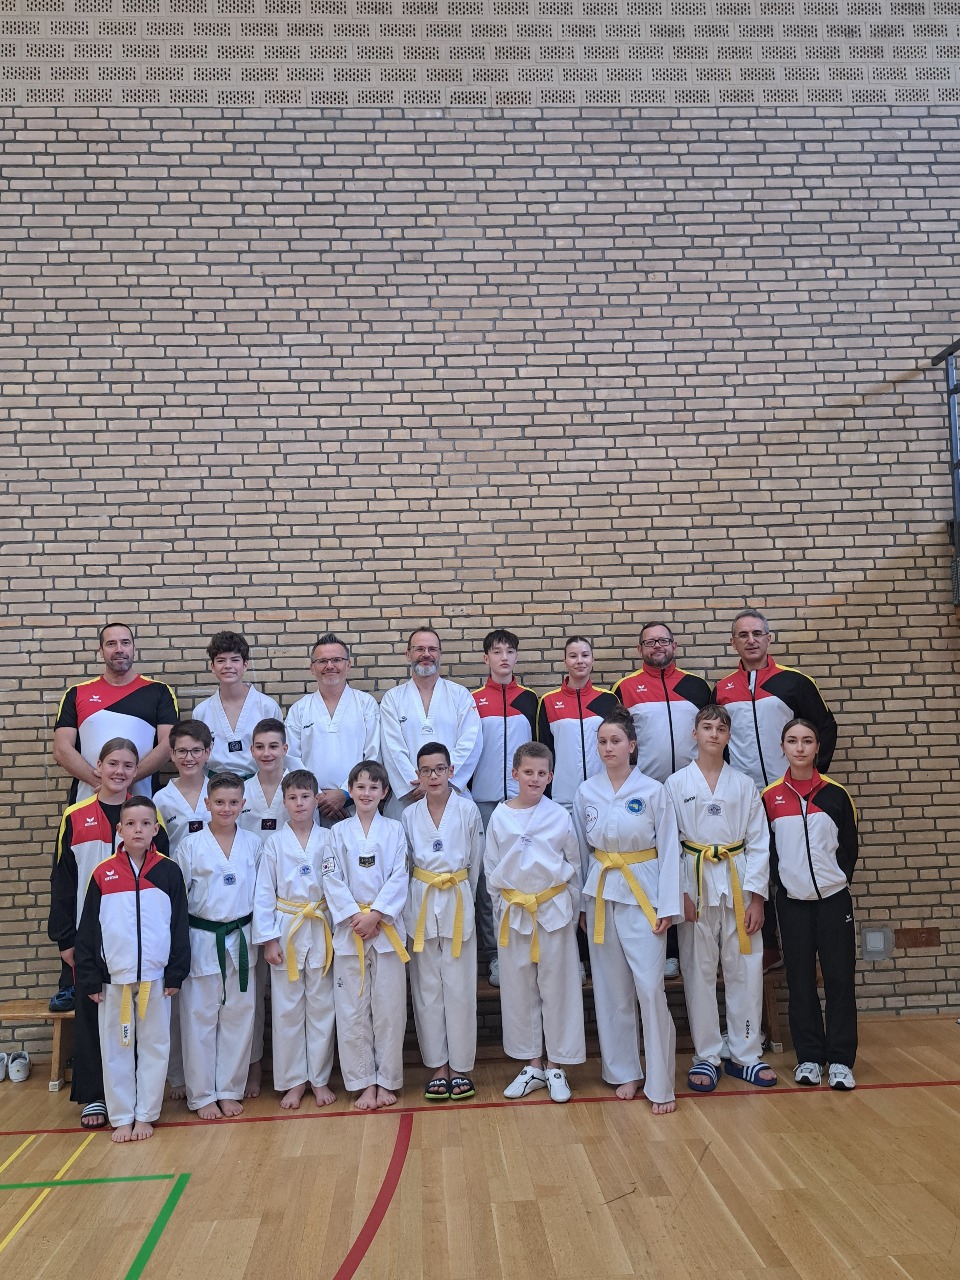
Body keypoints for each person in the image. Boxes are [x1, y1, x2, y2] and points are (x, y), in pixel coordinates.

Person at [48, 738, 169, 1130]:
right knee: (92, 1011)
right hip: (89, 936)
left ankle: (141, 1098)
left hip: (140, 937)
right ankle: (95, 1095)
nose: (119, 771)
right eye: (112, 763)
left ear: (137, 770)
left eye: (128, 765)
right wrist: (65, 938)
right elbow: (62, 879)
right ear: (97, 766)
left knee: (141, 1022)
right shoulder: (75, 815)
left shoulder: (149, 815)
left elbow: (162, 876)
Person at [714, 608, 838, 972]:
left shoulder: (794, 682)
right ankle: (767, 945)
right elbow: (716, 739)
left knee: (793, 862)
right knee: (754, 865)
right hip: (746, 794)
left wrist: (810, 776)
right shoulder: (721, 689)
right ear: (733, 642)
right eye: (743, 635)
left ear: (769, 638)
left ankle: (801, 943)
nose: (751, 640)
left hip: (791, 793)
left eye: (757, 633)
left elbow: (825, 727)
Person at [572, 709, 682, 1114]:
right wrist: (582, 905)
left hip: (644, 895)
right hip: (601, 894)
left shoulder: (653, 790)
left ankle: (660, 1082)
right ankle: (625, 1072)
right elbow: (580, 852)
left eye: (615, 741)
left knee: (650, 989)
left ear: (631, 746)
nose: (608, 748)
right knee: (611, 989)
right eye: (602, 742)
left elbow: (670, 849)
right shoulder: (587, 791)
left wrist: (668, 904)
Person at [664, 705, 775, 1093]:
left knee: (745, 967)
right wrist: (680, 893)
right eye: (707, 727)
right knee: (698, 971)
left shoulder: (744, 785)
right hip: (694, 882)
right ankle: (707, 1055)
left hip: (738, 882)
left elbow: (759, 843)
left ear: (729, 736)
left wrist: (757, 898)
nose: (714, 734)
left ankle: (746, 1054)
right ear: (694, 733)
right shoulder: (675, 784)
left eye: (721, 728)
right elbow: (669, 845)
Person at [74, 797, 190, 1142]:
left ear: (155, 829)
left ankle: (146, 1115)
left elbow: (178, 926)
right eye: (131, 824)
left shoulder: (168, 871)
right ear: (119, 829)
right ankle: (122, 1115)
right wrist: (90, 977)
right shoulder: (103, 873)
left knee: (155, 1047)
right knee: (116, 1050)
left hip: (156, 978)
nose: (138, 829)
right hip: (115, 980)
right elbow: (89, 930)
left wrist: (176, 972)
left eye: (145, 823)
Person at [484, 742, 585, 1104]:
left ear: (551, 776)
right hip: (515, 912)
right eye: (528, 772)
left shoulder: (558, 815)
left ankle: (556, 1065)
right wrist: (502, 909)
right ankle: (532, 1064)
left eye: (542, 773)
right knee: (519, 990)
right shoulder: (500, 816)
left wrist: (571, 909)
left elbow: (573, 865)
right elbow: (490, 868)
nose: (535, 779)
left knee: (558, 989)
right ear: (515, 774)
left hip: (553, 910)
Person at [762, 719, 859, 1091]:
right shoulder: (769, 797)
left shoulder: (836, 794)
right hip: (792, 904)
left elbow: (849, 847)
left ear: (817, 747)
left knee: (839, 980)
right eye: (792, 741)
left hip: (834, 902)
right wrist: (786, 882)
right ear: (783, 747)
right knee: (800, 981)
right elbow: (768, 851)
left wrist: (837, 879)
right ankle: (809, 1058)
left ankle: (840, 1060)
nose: (800, 748)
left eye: (807, 741)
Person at [613, 622, 712, 980]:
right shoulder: (625, 688)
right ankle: (665, 947)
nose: (657, 646)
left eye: (663, 640)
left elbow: (714, 734)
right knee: (657, 867)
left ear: (675, 644)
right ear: (640, 649)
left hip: (691, 789)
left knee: (691, 861)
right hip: (647, 792)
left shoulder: (696, 686)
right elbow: (618, 739)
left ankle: (700, 941)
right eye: (650, 642)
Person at [323, 760, 410, 1111]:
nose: (366, 793)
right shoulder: (337, 833)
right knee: (352, 1009)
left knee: (389, 1008)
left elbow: (401, 875)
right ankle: (363, 1082)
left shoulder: (395, 830)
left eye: (374, 787)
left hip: (385, 928)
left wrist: (376, 914)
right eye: (360, 787)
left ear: (385, 793)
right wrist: (354, 916)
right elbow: (330, 878)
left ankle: (386, 1080)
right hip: (351, 930)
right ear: (350, 790)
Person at [175, 772, 262, 1120]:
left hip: (241, 938)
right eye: (220, 802)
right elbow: (178, 901)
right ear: (207, 803)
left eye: (233, 802)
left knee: (239, 1017)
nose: (226, 808)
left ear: (243, 804)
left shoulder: (253, 844)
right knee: (199, 1019)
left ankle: (229, 1089)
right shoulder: (189, 846)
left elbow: (262, 896)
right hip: (202, 939)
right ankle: (202, 1095)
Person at [402, 742, 485, 1102]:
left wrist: (464, 892)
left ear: (451, 771)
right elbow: (405, 864)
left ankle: (461, 1065)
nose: (433, 776)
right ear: (418, 776)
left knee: (460, 987)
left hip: (457, 897)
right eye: (426, 770)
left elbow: (477, 863)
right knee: (427, 989)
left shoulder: (467, 810)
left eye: (439, 769)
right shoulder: (409, 815)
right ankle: (437, 1065)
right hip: (421, 900)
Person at [253, 770, 337, 1110]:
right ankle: (293, 1081)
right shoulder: (274, 843)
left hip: (320, 923)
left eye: (305, 797)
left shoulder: (329, 838)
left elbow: (339, 885)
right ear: (284, 802)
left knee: (322, 1006)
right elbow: (263, 893)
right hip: (286, 925)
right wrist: (268, 940)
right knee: (287, 1009)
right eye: (292, 798)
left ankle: (319, 1078)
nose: (299, 803)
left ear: (316, 799)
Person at [469, 628, 539, 988]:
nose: (504, 658)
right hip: (483, 802)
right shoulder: (472, 700)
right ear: (486, 658)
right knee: (488, 881)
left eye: (510, 651)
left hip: (524, 803)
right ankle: (496, 954)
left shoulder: (530, 700)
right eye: (497, 652)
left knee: (526, 873)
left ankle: (530, 950)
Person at [53, 622, 177, 806]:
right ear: (101, 651)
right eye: (111, 644)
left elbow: (168, 745)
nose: (119, 649)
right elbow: (61, 750)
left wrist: (125, 780)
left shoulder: (160, 691)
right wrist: (103, 784)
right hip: (87, 803)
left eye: (125, 642)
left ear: (134, 648)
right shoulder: (76, 693)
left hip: (142, 805)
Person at [153, 718, 212, 1101]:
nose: (189, 758)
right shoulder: (161, 800)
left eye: (196, 751)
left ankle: (218, 1071)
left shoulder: (219, 791)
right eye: (181, 751)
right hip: (174, 901)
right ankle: (177, 1074)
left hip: (216, 901)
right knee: (176, 987)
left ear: (208, 753)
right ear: (171, 755)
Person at [379, 627, 482, 820]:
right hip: (409, 798)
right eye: (419, 649)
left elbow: (471, 742)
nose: (426, 654)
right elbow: (392, 748)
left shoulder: (460, 695)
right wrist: (416, 784)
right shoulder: (392, 698)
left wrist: (441, 781)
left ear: (440, 654)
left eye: (432, 649)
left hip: (452, 795)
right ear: (408, 654)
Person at [283, 633, 380, 826]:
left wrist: (345, 793)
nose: (330, 666)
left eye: (336, 660)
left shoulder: (365, 704)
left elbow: (373, 754)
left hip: (356, 804)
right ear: (312, 668)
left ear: (348, 665)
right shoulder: (300, 709)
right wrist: (317, 795)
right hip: (311, 807)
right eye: (322, 661)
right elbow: (291, 758)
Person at [536, 636, 619, 809]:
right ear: (565, 661)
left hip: (604, 795)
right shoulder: (548, 701)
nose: (579, 661)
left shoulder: (608, 699)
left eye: (585, 655)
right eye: (573, 656)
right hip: (563, 798)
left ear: (592, 660)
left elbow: (620, 747)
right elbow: (544, 751)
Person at [192, 630, 284, 780]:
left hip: (260, 783)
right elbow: (198, 757)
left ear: (245, 665)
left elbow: (280, 754)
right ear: (212, 667)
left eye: (235, 660)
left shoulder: (267, 707)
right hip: (215, 786)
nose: (228, 666)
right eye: (221, 660)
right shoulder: (201, 712)